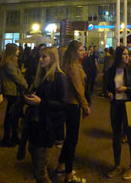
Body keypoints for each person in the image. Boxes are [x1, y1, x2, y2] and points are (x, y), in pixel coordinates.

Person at [24, 46, 68, 183]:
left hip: (47, 125)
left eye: (44, 57)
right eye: (40, 56)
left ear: (53, 59)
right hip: (36, 123)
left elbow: (63, 104)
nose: (40, 59)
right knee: (34, 156)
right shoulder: (41, 76)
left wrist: (41, 102)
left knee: (41, 168)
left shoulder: (60, 77)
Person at [55, 40, 90, 183]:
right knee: (72, 140)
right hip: (73, 105)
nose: (83, 52)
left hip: (69, 105)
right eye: (81, 50)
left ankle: (60, 166)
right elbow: (78, 89)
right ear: (74, 52)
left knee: (69, 139)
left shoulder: (70, 65)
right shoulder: (74, 67)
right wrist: (85, 105)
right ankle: (68, 175)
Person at [106, 46, 131, 180]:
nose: (127, 56)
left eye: (128, 54)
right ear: (119, 56)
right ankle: (117, 165)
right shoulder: (111, 71)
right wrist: (109, 93)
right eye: (124, 54)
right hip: (116, 105)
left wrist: (127, 89)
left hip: (129, 105)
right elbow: (107, 87)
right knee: (116, 136)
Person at [0, 43, 28, 147]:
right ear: (13, 51)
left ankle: (13, 136)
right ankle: (7, 138)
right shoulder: (8, 62)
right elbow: (16, 76)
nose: (19, 51)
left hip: (13, 90)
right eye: (17, 49)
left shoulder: (11, 61)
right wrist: (26, 85)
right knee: (11, 114)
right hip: (12, 90)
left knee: (14, 114)